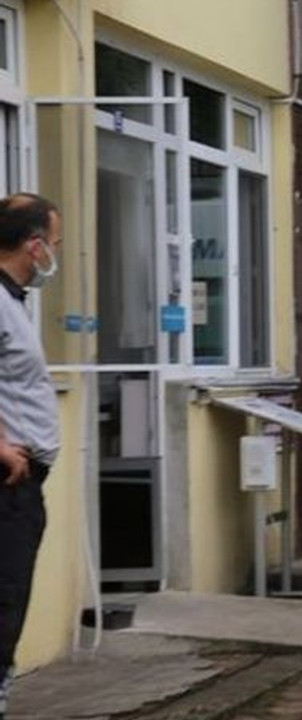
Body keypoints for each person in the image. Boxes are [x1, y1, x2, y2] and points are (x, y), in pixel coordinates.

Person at [0, 193, 62, 720]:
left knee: (12, 590)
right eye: (55, 244)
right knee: (4, 591)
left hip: (24, 475)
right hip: (7, 475)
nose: (54, 257)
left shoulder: (14, 300)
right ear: (34, 244)